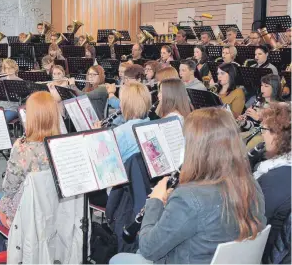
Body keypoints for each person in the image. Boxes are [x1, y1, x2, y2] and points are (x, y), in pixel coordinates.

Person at [110, 108, 266, 264]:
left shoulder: (188, 199)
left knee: (118, 259)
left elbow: (148, 249)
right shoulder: (251, 185)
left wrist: (155, 201)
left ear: (198, 148)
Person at [0, 91, 60, 254]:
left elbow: (8, 189)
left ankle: (1, 254)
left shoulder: (22, 147)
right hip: (55, 212)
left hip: (28, 215)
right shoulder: (62, 144)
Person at [254, 103, 291, 264]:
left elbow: (251, 222)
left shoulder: (273, 180)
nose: (262, 136)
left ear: (278, 135)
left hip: (263, 253)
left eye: (264, 130)